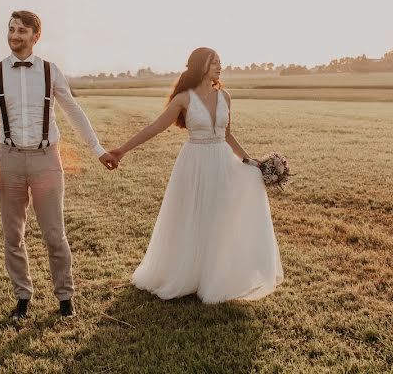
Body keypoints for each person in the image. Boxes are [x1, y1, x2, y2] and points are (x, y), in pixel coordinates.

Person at [0, 10, 119, 320]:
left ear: (35, 36)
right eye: (12, 29)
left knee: (54, 233)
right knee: (13, 235)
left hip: (46, 160)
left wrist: (97, 149)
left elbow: (74, 111)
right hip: (9, 159)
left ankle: (65, 298)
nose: (15, 35)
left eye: (22, 30)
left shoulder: (51, 72)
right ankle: (22, 298)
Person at [110, 47, 283, 303]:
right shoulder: (184, 99)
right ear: (200, 66)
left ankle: (213, 276)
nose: (219, 66)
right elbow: (156, 127)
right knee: (193, 215)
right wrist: (122, 150)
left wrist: (250, 161)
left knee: (220, 216)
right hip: (194, 162)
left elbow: (227, 134)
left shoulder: (225, 95)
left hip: (223, 161)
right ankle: (186, 274)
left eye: (220, 62)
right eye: (214, 62)